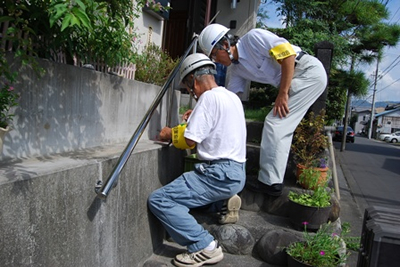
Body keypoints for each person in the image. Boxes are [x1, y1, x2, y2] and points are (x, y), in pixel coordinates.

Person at [198, 23, 328, 196]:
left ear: (225, 44)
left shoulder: (253, 38)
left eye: (214, 54)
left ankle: (270, 183)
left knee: (276, 124)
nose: (216, 61)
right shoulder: (237, 70)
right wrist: (202, 110)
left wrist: (282, 93)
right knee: (280, 124)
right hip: (297, 79)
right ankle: (272, 180)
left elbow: (288, 55)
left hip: (308, 72)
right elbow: (229, 99)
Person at [147, 53, 246, 267]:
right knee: (196, 200)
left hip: (218, 174)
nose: (192, 94)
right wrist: (197, 116)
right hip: (237, 172)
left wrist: (169, 134)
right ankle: (221, 203)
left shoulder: (209, 98)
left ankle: (205, 246)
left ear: (193, 79)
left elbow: (190, 141)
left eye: (189, 88)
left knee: (160, 200)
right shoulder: (232, 98)